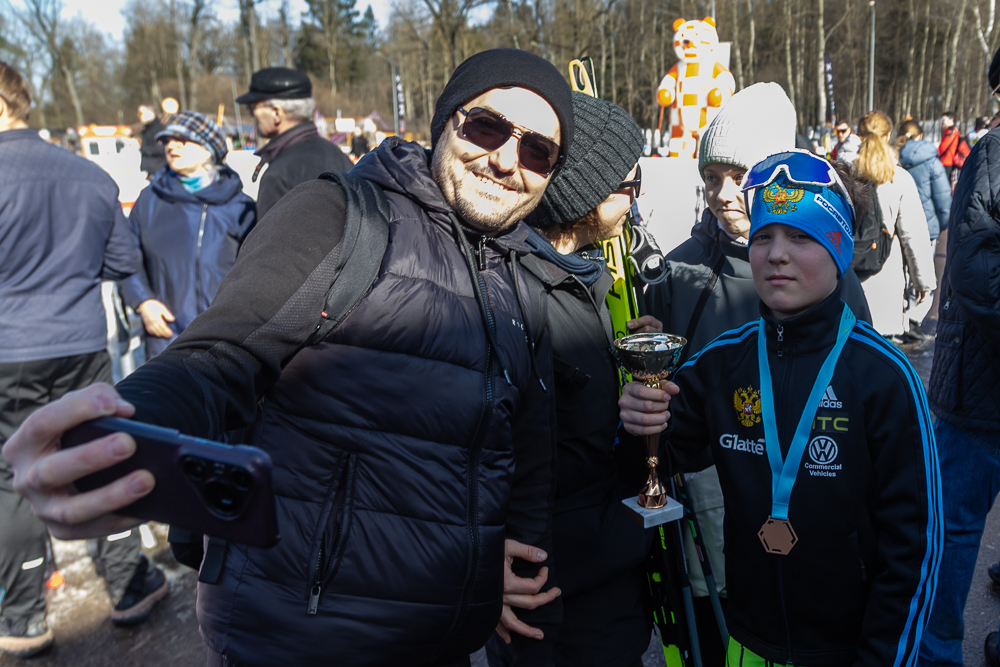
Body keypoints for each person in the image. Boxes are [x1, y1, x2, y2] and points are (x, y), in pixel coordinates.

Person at [3, 48, 575, 666]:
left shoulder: (519, 268)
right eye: (487, 127)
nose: (506, 160)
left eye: (537, 150)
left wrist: (516, 538)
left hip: (443, 641)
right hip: (303, 633)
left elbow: (524, 432)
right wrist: (121, 425)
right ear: (444, 125)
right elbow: (220, 357)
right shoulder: (338, 214)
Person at [619, 149, 942, 667]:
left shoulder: (884, 376)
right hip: (746, 641)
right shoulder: (724, 362)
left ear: (838, 247)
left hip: (848, 648)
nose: (776, 254)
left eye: (802, 236)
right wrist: (638, 423)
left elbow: (917, 545)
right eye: (764, 235)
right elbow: (648, 469)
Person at [647, 82, 873, 666]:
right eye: (711, 178)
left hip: (817, 510)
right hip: (711, 511)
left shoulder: (831, 278)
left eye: (739, 177)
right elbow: (665, 412)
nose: (723, 195)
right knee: (715, 628)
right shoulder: (679, 271)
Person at [0, 61, 167, 659]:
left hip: (8, 348)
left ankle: (21, 615)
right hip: (76, 341)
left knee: (9, 477)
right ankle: (129, 583)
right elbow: (120, 262)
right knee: (94, 456)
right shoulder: (88, 175)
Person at [487, 91, 656, 667]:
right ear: (587, 196)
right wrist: (482, 566)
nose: (637, 200)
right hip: (551, 595)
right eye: (630, 185)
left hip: (603, 569)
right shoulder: (520, 291)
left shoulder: (588, 280)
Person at [917, 45, 1000, 667]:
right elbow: (977, 275)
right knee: (953, 530)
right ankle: (936, 650)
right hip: (980, 392)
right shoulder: (995, 151)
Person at [119, 111, 256, 360]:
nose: (172, 146)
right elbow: (127, 257)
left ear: (208, 149)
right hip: (165, 339)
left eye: (183, 140)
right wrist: (143, 301)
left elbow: (255, 273)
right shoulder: (150, 200)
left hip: (223, 340)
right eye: (168, 140)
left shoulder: (239, 206)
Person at [852, 110, 936, 340]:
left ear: (858, 136)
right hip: (886, 283)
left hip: (848, 283)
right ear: (888, 135)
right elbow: (913, 235)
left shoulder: (846, 177)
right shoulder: (899, 179)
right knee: (883, 362)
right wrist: (922, 281)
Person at [237, 67, 354, 218]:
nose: (251, 114)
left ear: (276, 113)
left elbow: (270, 240)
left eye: (252, 107)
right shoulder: (338, 156)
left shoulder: (279, 175)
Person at [896, 119, 951, 331]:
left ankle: (900, 319)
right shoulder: (932, 161)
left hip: (896, 227)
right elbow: (944, 198)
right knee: (923, 276)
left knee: (904, 274)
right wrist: (942, 223)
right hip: (927, 227)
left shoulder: (893, 159)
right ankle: (913, 319)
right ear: (920, 136)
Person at [138, 104, 166, 177]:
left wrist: (143, 149)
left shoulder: (159, 129)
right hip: (149, 171)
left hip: (157, 171)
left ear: (151, 113)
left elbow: (161, 148)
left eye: (141, 113)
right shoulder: (146, 129)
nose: (139, 116)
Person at [938, 112, 965, 183]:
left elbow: (943, 148)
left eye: (943, 119)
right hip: (948, 162)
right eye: (941, 119)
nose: (942, 121)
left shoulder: (951, 131)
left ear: (951, 119)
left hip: (946, 162)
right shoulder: (951, 130)